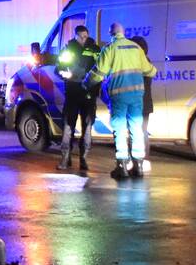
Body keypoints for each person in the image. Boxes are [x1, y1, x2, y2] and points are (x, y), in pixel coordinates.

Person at [85, 22, 156, 180]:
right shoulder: (136, 48)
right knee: (136, 128)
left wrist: (86, 82)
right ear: (123, 33)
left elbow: (99, 73)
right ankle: (138, 166)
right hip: (137, 95)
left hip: (119, 95)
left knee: (120, 129)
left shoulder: (110, 49)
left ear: (111, 34)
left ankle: (122, 167)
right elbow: (150, 71)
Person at [55, 25, 99, 171]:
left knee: (87, 128)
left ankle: (83, 159)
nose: (83, 39)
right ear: (75, 36)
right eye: (81, 36)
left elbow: (101, 67)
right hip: (72, 92)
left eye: (85, 36)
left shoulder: (95, 49)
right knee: (68, 127)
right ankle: (65, 158)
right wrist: (64, 74)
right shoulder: (68, 50)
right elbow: (58, 68)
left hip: (88, 94)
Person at [129, 36, 155, 166]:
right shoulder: (147, 62)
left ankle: (138, 160)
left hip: (137, 103)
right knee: (142, 132)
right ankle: (144, 160)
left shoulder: (138, 63)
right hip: (145, 103)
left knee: (136, 132)